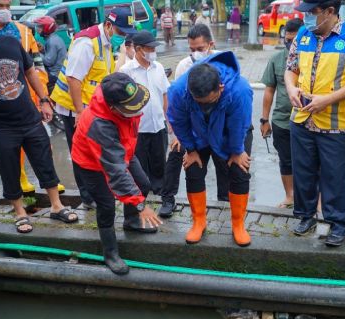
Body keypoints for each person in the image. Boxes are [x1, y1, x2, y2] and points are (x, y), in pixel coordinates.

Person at [0, 13, 78, 233]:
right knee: (9, 168)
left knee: (44, 161)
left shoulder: (11, 43)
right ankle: (20, 212)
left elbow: (30, 70)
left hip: (29, 117)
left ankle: (56, 205)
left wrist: (44, 101)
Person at [284, 0, 345, 247]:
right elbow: (290, 68)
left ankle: (338, 224)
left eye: (312, 12)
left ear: (330, 11)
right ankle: (305, 216)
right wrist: (291, 87)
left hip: (335, 123)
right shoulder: (303, 34)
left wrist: (327, 100)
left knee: (335, 177)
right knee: (303, 172)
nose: (307, 18)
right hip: (302, 118)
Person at [72, 73, 162, 274]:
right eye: (133, 107)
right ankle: (110, 252)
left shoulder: (125, 101)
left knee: (143, 184)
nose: (139, 109)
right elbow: (115, 170)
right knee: (106, 205)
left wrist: (138, 199)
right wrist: (141, 205)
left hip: (123, 152)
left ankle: (130, 221)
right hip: (91, 163)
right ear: (113, 108)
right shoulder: (100, 124)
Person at [51, 8, 136, 209]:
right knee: (80, 152)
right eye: (120, 32)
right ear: (108, 25)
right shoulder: (86, 43)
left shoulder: (106, 42)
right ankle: (87, 197)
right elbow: (74, 78)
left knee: (95, 150)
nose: (122, 37)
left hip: (90, 107)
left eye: (125, 34)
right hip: (74, 107)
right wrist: (80, 112)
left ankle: (97, 192)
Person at [167, 51, 253, 247]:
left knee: (239, 170)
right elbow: (178, 121)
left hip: (230, 132)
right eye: (199, 102)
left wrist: (237, 150)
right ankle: (199, 221)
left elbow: (240, 123)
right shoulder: (179, 90)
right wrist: (190, 149)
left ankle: (238, 224)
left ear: (220, 88)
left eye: (209, 102)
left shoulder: (240, 90)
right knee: (193, 168)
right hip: (199, 132)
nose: (204, 105)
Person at [0, 0, 56, 195]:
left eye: (8, 5)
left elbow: (37, 66)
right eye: (0, 6)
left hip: (30, 98)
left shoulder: (24, 31)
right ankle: (21, 177)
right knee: (11, 146)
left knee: (42, 139)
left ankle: (50, 180)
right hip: (1, 101)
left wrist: (43, 97)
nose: (5, 10)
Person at [159, 24, 229, 218]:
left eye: (200, 49)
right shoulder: (184, 66)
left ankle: (225, 203)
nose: (195, 54)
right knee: (177, 152)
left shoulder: (223, 63)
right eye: (192, 49)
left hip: (218, 124)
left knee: (226, 160)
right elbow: (179, 105)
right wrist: (181, 136)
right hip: (193, 126)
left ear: (210, 45)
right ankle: (168, 199)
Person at [260, 19, 304, 209]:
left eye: (293, 40)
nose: (289, 44)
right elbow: (269, 90)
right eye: (287, 40)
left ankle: (314, 200)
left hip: (308, 121)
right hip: (281, 121)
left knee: (309, 161)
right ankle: (290, 196)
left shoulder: (314, 58)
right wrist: (264, 119)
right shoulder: (277, 59)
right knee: (286, 160)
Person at [120, 31, 170, 195]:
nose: (153, 52)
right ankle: (142, 194)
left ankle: (160, 192)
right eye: (150, 49)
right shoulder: (126, 71)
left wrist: (167, 120)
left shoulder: (159, 67)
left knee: (160, 162)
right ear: (138, 49)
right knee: (140, 164)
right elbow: (123, 102)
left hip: (158, 125)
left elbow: (164, 94)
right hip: (137, 129)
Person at [34, 16, 66, 94]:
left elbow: (48, 62)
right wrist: (42, 50)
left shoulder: (52, 41)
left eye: (40, 27)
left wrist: (36, 52)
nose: (37, 29)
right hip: (57, 72)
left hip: (54, 75)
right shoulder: (53, 38)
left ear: (47, 28)